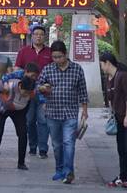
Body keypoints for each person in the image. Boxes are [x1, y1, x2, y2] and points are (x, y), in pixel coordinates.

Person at [37, 40, 88, 184]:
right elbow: (38, 86)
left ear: (65, 54)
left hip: (70, 113)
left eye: (59, 57)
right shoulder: (48, 69)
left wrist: (84, 110)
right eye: (54, 57)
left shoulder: (77, 69)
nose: (57, 60)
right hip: (52, 113)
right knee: (56, 144)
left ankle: (68, 171)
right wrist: (42, 88)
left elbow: (83, 91)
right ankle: (59, 169)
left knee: (69, 142)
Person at [100, 52, 127, 190]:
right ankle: (123, 175)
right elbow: (111, 98)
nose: (101, 67)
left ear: (107, 63)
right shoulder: (108, 78)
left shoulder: (124, 76)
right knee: (121, 148)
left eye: (102, 64)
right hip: (118, 117)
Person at [15, 25, 52, 158]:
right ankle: (32, 146)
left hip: (44, 93)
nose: (38, 36)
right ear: (32, 36)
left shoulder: (50, 52)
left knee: (43, 121)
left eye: (41, 34)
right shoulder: (24, 51)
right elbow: (17, 69)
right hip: (28, 93)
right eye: (36, 34)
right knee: (29, 120)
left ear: (44, 36)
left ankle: (43, 149)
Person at [0, 76, 35, 171]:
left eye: (29, 92)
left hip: (18, 111)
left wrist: (23, 120)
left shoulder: (31, 92)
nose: (26, 94)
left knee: (23, 133)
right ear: (20, 86)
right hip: (2, 109)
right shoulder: (11, 85)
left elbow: (27, 106)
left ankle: (21, 162)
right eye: (25, 92)